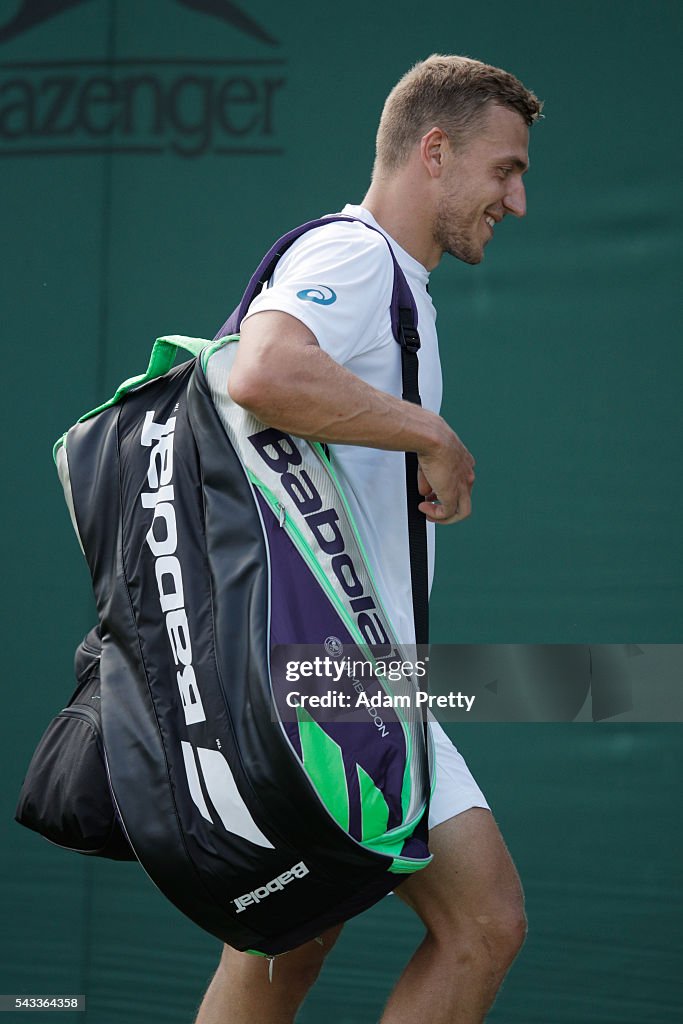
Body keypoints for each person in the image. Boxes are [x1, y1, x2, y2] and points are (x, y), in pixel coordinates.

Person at [196, 54, 543, 1024]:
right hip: (335, 684)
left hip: (320, 677)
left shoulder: (394, 286)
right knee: (482, 923)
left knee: (285, 946)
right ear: (434, 152)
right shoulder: (355, 260)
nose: (514, 201)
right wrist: (429, 432)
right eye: (502, 170)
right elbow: (262, 370)